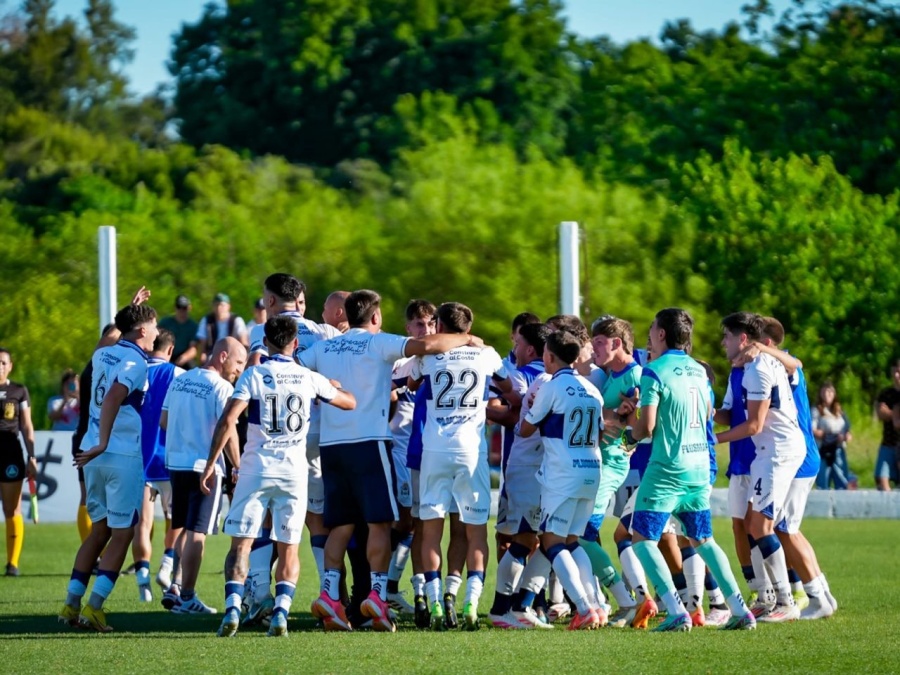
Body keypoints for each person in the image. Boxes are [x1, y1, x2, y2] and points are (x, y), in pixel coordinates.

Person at [301, 289, 485, 632]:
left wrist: (326, 384)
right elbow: (428, 346)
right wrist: (467, 338)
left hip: (332, 446)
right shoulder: (378, 342)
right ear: (375, 317)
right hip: (370, 444)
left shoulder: (324, 348)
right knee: (379, 523)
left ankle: (329, 596)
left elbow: (296, 368)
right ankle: (377, 595)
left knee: (340, 524)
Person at [209, 316, 356, 638]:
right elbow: (349, 403)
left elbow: (228, 421)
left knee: (241, 544)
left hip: (255, 469)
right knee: (289, 547)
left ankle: (234, 606)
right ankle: (281, 614)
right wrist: (332, 387)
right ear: (296, 344)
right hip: (293, 472)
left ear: (266, 344)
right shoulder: (308, 377)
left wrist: (211, 463)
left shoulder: (253, 375)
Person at [627, 308, 755, 632]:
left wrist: (629, 435)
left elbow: (647, 426)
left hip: (667, 469)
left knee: (641, 539)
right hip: (700, 466)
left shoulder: (653, 371)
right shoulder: (700, 371)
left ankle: (675, 610)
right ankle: (740, 610)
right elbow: (709, 413)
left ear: (660, 334)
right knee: (704, 540)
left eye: (652, 329)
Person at [409, 302, 511, 631]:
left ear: (438, 325)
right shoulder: (486, 353)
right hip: (472, 451)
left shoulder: (428, 355)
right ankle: (470, 602)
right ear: (469, 326)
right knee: (475, 529)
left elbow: (410, 383)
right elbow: (507, 388)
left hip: (435, 450)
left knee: (430, 530)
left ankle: (436, 602)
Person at [59, 303, 159, 633]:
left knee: (98, 531)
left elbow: (115, 335)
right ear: (142, 331)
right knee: (123, 533)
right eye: (154, 326)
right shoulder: (137, 362)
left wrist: (128, 309)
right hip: (118, 455)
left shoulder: (104, 353)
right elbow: (115, 396)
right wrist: (104, 440)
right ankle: (95, 608)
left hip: (93, 455)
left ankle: (71, 604)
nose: (157, 332)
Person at [716, 311, 802, 623]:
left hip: (777, 451)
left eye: (727, 336)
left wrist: (715, 439)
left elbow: (753, 425)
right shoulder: (755, 366)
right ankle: (768, 596)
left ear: (742, 339)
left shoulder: (757, 371)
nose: (723, 342)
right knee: (754, 523)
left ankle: (786, 600)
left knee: (761, 526)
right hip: (770, 451)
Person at [518, 329, 605, 630]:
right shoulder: (592, 388)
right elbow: (600, 431)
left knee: (552, 540)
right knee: (572, 541)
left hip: (562, 474)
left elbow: (525, 430)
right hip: (591, 470)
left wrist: (528, 405)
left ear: (549, 356)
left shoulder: (552, 387)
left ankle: (583, 608)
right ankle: (596, 605)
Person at [161, 337, 247, 615]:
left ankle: (175, 586)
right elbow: (229, 428)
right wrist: (237, 464)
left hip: (176, 462)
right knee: (198, 533)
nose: (239, 370)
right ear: (222, 357)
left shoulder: (180, 379)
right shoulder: (222, 387)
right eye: (238, 362)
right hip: (204, 467)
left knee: (184, 527)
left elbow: (164, 419)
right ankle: (187, 597)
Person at [387, 299, 437, 617]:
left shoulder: (441, 362)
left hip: (428, 454)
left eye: (431, 324)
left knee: (416, 526)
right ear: (408, 329)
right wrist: (398, 387)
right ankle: (388, 588)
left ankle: (391, 587)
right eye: (420, 325)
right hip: (399, 453)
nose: (427, 330)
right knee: (407, 523)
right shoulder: (397, 363)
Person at [132, 329, 184, 602]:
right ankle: (166, 564)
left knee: (143, 521)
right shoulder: (176, 374)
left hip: (138, 456)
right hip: (168, 456)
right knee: (176, 518)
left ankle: (142, 577)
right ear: (171, 349)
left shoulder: (135, 371)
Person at [0, 348, 36, 577]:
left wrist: (32, 457)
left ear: (10, 366)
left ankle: (12, 563)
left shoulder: (18, 390)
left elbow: (26, 425)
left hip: (10, 453)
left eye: (3, 363)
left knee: (11, 509)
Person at [813, 382, 853, 490]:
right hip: (823, 450)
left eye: (830, 391)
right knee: (823, 482)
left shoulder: (839, 411)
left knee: (841, 480)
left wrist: (844, 436)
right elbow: (813, 430)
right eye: (824, 391)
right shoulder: (817, 410)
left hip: (838, 449)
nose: (827, 394)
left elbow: (847, 430)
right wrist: (828, 436)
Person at [193, 293, 249, 363]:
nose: (219, 308)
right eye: (216, 305)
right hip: (212, 354)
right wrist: (202, 354)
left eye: (222, 305)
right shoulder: (207, 320)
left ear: (228, 306)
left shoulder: (236, 320)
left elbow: (244, 342)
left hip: (232, 354)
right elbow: (202, 342)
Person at [874, 360, 900, 491]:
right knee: (881, 478)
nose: (897, 375)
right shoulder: (886, 393)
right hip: (888, 442)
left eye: (899, 372)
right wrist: (895, 414)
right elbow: (880, 414)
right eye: (895, 372)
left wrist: (890, 414)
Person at [159, 295, 199, 369]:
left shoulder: (193, 326)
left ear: (189, 308)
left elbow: (193, 349)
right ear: (175, 307)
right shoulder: (165, 323)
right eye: (179, 307)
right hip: (166, 354)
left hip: (183, 357)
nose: (181, 310)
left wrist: (183, 358)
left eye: (184, 308)